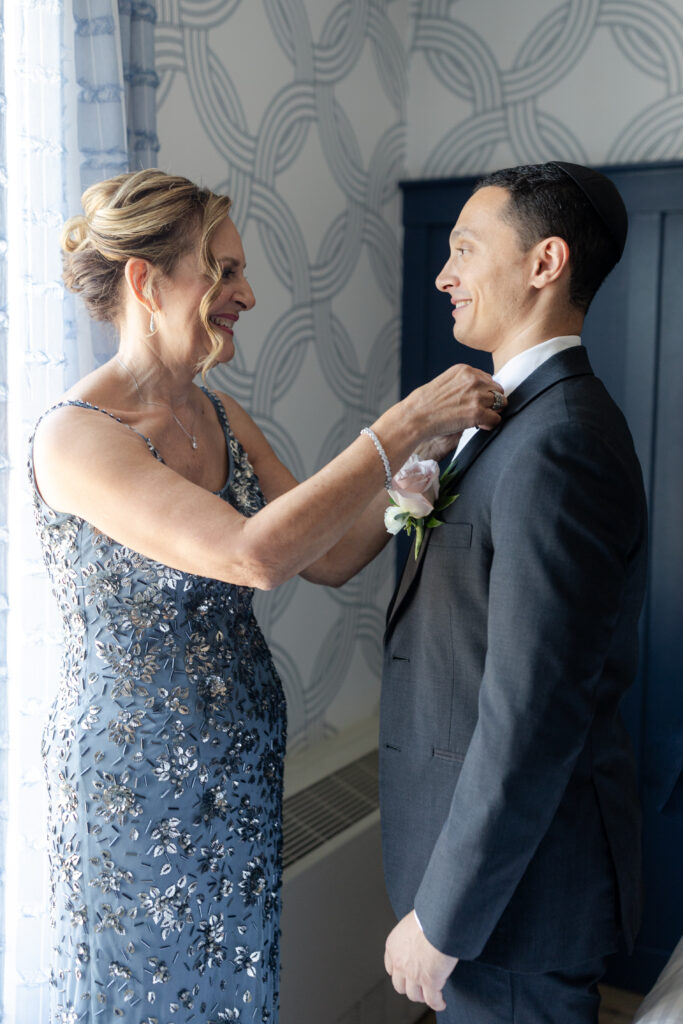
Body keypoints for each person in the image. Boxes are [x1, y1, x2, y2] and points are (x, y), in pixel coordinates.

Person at [29, 168, 505, 1024]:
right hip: (134, 784)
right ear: (146, 281)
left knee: (232, 988)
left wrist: (423, 463)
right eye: (223, 270)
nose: (246, 293)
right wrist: (393, 425)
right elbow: (253, 557)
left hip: (238, 761)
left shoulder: (222, 416)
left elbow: (326, 556)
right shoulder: (76, 438)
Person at [380, 162, 648, 1023]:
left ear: (544, 264)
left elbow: (533, 709)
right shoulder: (507, 418)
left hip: (517, 901)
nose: (442, 274)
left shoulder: (558, 440)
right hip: (488, 888)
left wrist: (446, 912)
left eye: (464, 249)